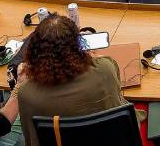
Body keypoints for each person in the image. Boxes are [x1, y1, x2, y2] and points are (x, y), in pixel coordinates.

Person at [17, 15, 134, 146]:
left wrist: (20, 82)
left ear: (34, 50)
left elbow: (32, 139)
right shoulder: (105, 68)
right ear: (78, 44)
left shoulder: (26, 93)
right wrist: (92, 56)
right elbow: (118, 100)